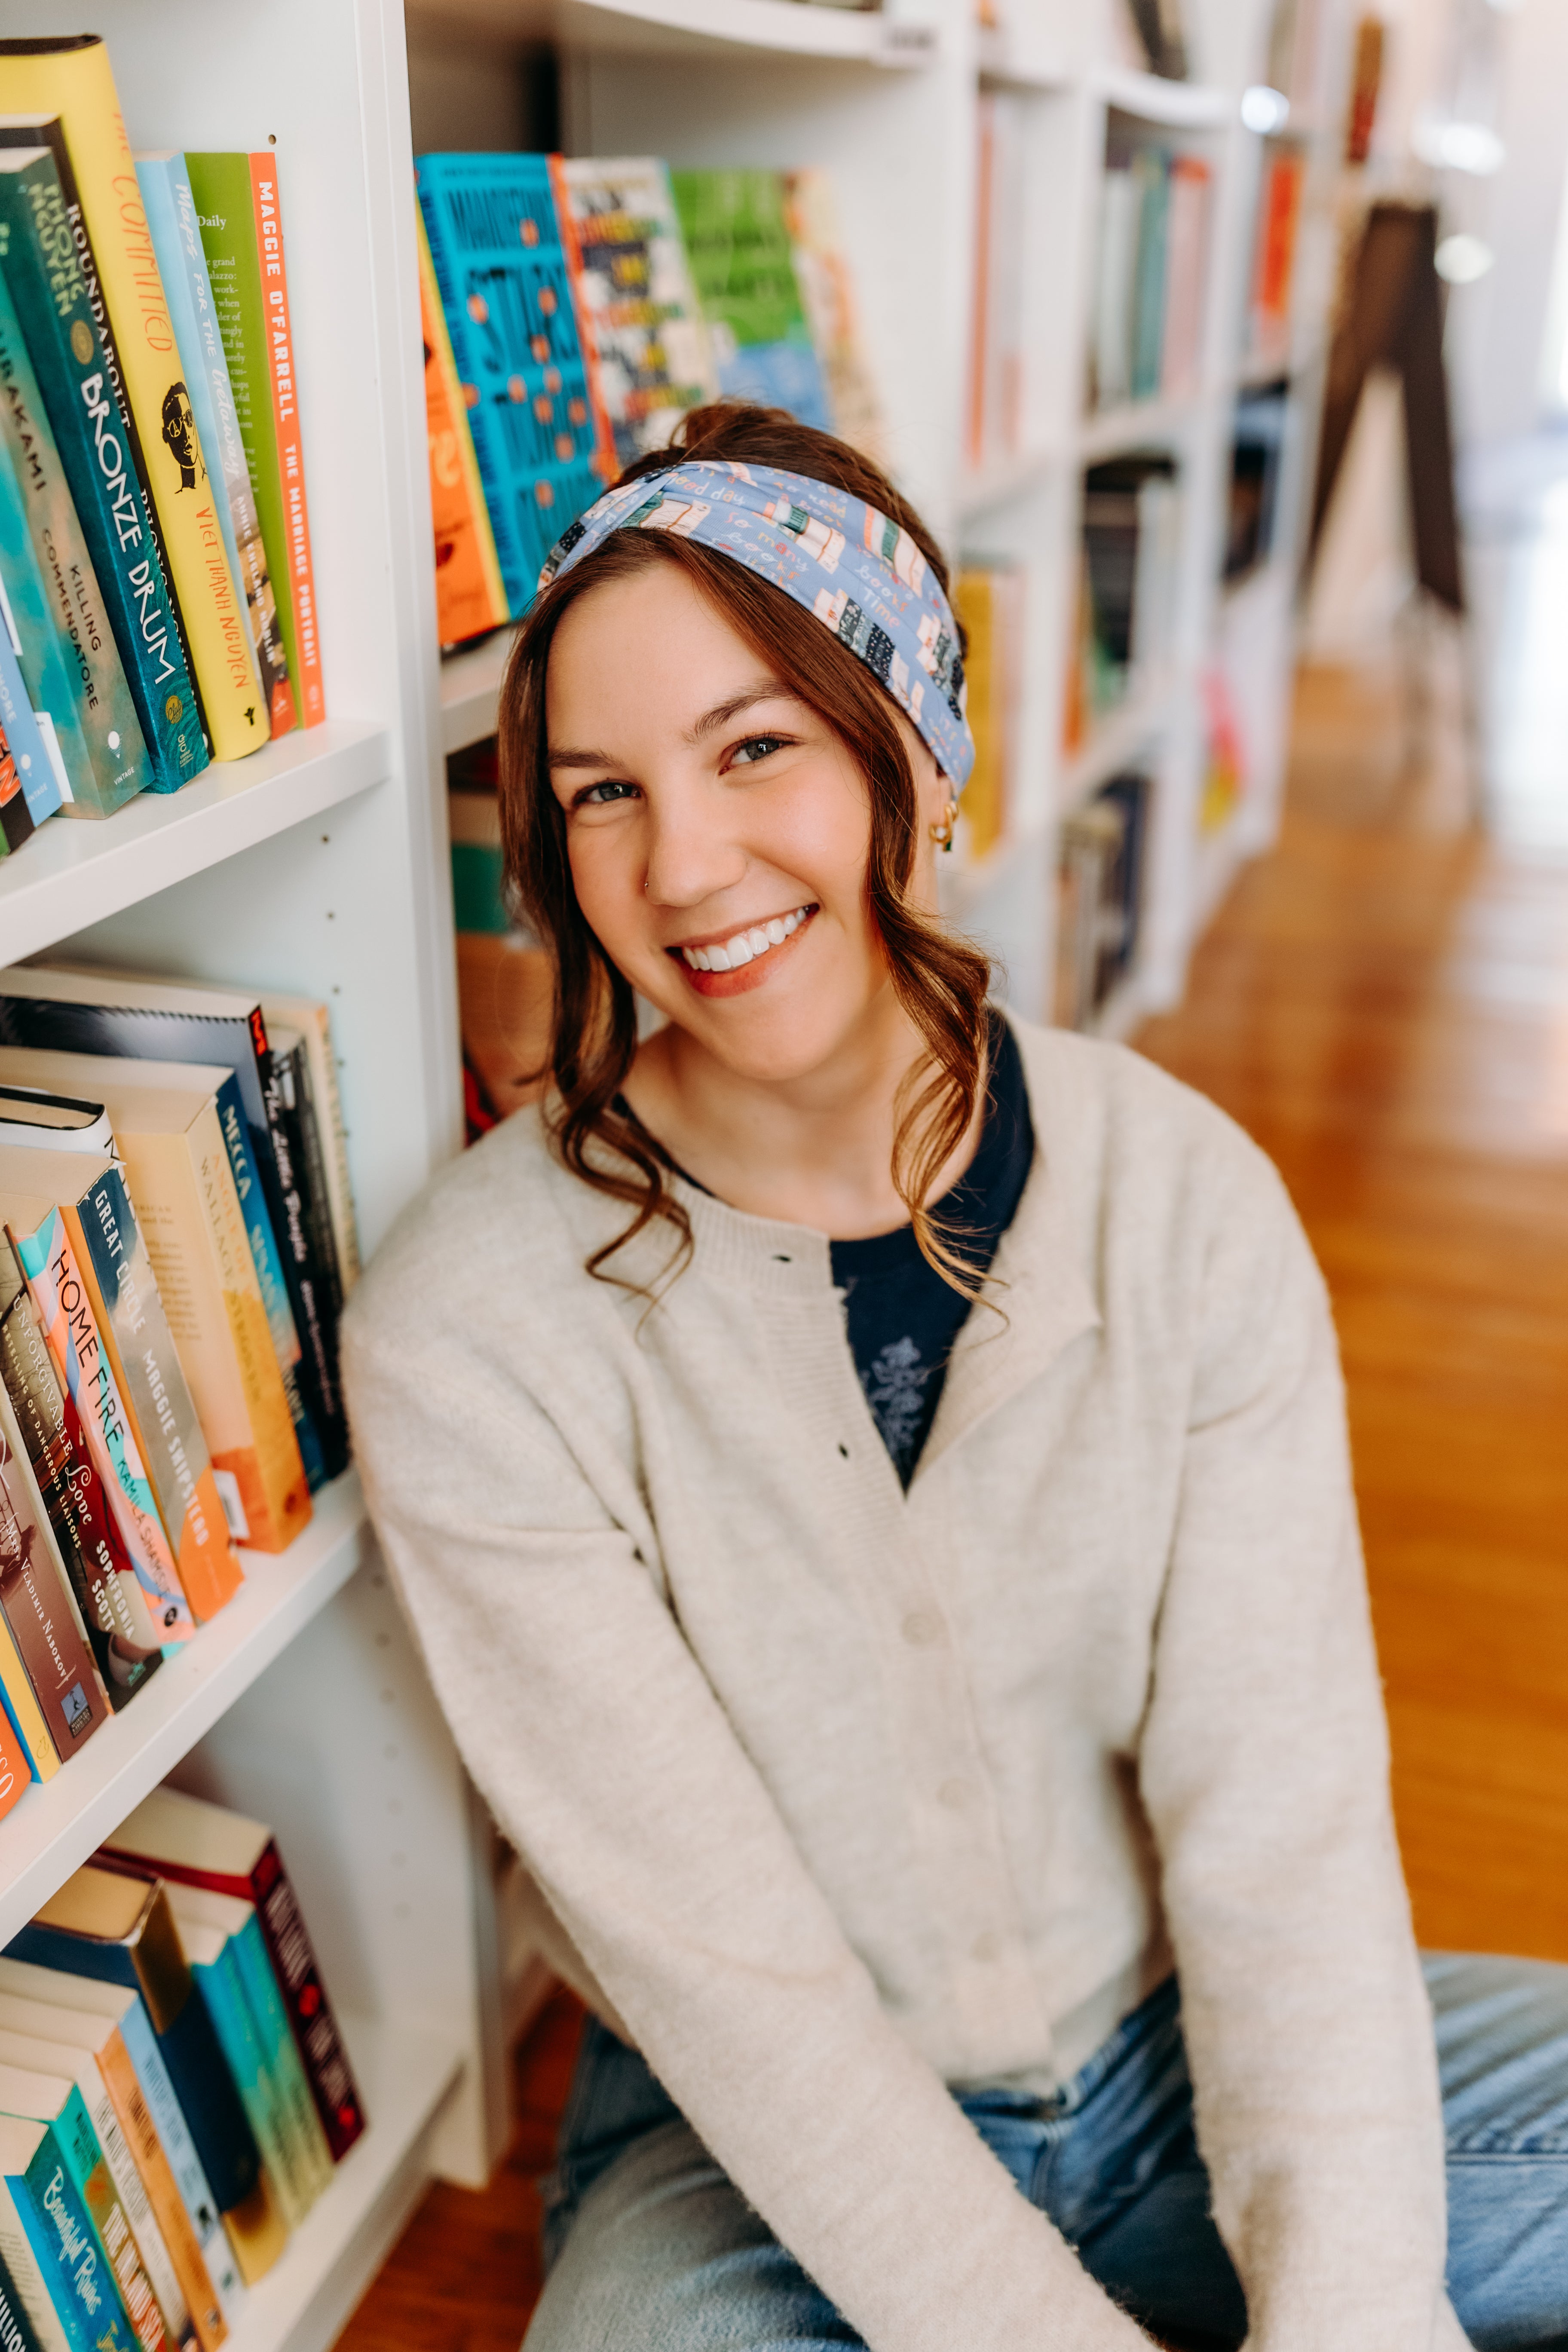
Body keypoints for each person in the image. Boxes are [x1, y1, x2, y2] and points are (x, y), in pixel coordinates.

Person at [342, 405, 1568, 2352]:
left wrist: (1351, 2308)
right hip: (752, 2146)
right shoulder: (468, 1333)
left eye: (757, 748)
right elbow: (733, 1981)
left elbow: (1282, 1828)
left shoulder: (1181, 1196)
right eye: (601, 793)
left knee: (1365, 2243)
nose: (685, 863)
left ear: (915, 755)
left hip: (1169, 2034)